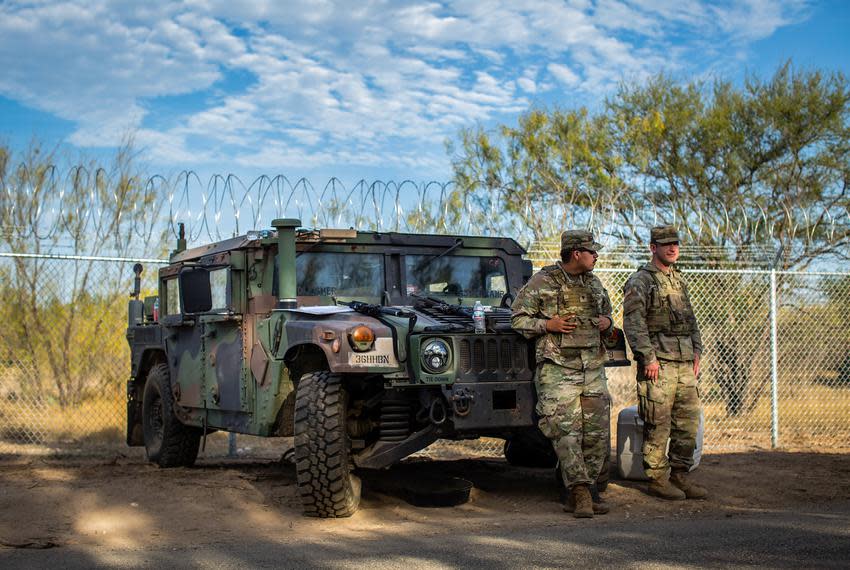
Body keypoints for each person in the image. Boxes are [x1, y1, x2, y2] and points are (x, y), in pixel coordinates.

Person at [511, 230, 616, 518]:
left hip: (592, 369)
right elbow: (517, 319)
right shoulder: (543, 281)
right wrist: (549, 325)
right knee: (565, 433)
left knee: (595, 435)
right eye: (591, 251)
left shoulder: (595, 284)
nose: (596, 255)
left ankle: (590, 489)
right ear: (575, 253)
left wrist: (607, 322)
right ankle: (579, 492)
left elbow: (608, 317)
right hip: (558, 370)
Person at [622, 225, 708, 500]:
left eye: (676, 244)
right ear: (653, 248)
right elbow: (633, 323)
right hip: (658, 364)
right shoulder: (641, 280)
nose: (673, 248)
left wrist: (697, 351)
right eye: (666, 244)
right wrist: (647, 356)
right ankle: (657, 479)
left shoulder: (678, 280)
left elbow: (690, 319)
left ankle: (680, 475)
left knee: (688, 422)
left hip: (684, 362)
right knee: (658, 422)